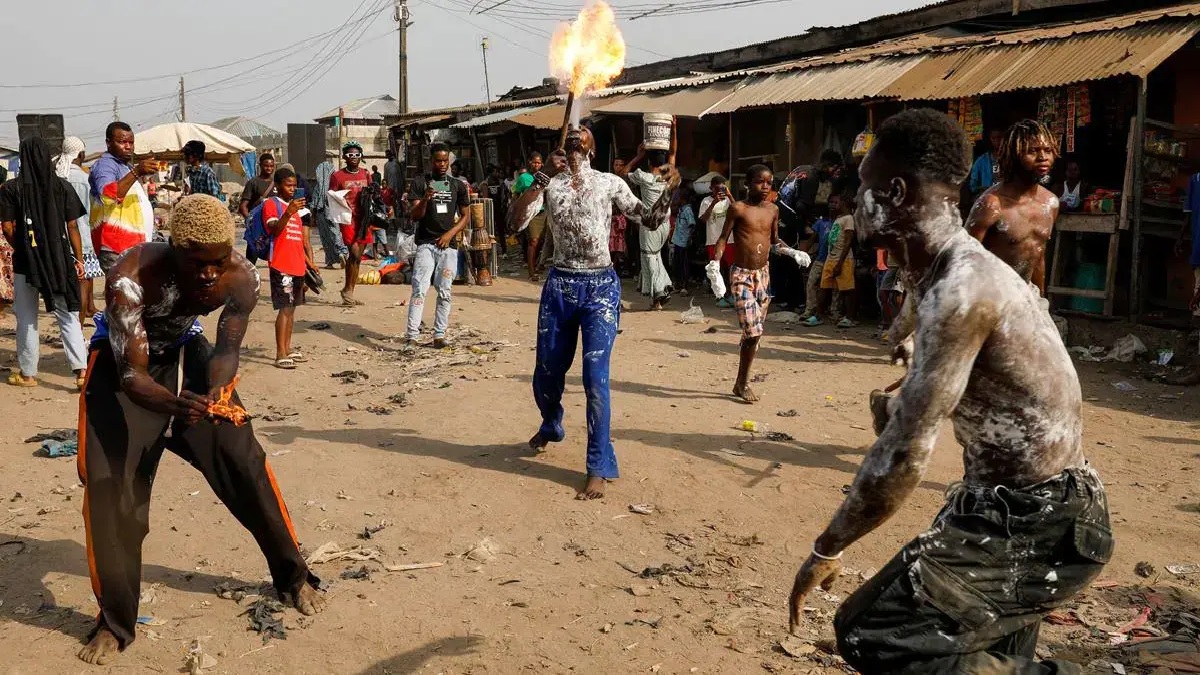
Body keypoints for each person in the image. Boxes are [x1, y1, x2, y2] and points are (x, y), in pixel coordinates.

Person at [787, 109, 1109, 675]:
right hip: (1000, 505)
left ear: (892, 191)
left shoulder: (963, 288)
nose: (853, 201)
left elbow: (905, 454)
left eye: (862, 187)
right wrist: (904, 388)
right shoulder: (939, 274)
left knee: (873, 631)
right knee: (976, 652)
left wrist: (827, 548)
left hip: (1043, 518)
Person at [76, 194, 325, 665]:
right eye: (197, 264)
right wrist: (173, 405)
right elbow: (133, 377)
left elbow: (228, 348)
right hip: (124, 367)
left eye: (217, 262)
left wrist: (214, 391)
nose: (209, 274)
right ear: (174, 251)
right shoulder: (132, 278)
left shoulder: (241, 277)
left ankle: (294, 576)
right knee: (111, 489)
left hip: (189, 357)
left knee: (244, 462)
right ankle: (114, 623)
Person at [512, 126, 670, 500]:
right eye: (571, 134)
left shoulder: (609, 183)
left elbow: (649, 220)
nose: (576, 136)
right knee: (546, 375)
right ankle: (552, 424)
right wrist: (540, 179)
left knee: (595, 378)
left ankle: (598, 465)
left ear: (592, 149)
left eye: (583, 134)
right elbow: (515, 222)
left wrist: (669, 193)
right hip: (560, 286)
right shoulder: (549, 184)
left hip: (600, 287)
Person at [711, 165, 810, 403]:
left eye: (769, 182)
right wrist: (715, 265)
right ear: (747, 183)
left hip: (763, 275)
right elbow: (723, 239)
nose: (765, 187)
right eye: (759, 182)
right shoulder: (738, 208)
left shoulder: (773, 210)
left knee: (754, 335)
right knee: (753, 332)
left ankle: (739, 383)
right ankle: (743, 384)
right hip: (742, 275)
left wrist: (791, 252)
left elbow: (774, 241)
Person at [0, 137, 89, 389]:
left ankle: (28, 375)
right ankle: (81, 372)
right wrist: (78, 259)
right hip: (59, 259)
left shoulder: (11, 189)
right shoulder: (62, 187)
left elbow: (7, 227)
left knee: (27, 316)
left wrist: (25, 249)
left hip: (25, 263)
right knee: (67, 314)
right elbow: (72, 225)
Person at [966, 119, 1060, 295]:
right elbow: (963, 260)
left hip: (1026, 298)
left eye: (1048, 151)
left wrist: (1040, 302)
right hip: (991, 299)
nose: (1043, 158)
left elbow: (1038, 256)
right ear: (1014, 155)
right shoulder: (991, 204)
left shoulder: (1050, 203)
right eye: (1033, 151)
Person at [406, 143, 470, 348]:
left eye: (445, 160)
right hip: (426, 244)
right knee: (419, 289)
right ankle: (412, 336)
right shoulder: (419, 182)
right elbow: (414, 215)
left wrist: (449, 234)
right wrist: (425, 199)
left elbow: (465, 216)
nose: (442, 164)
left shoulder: (457, 185)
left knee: (445, 291)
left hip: (448, 247)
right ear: (431, 161)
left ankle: (439, 335)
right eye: (438, 161)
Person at [618, 124, 680, 310]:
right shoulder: (669, 177)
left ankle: (658, 296)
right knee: (656, 255)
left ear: (648, 163)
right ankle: (660, 291)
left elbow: (621, 174)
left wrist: (638, 155)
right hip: (665, 223)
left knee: (648, 257)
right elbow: (674, 153)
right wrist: (674, 129)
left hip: (650, 223)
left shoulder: (643, 177)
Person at [262, 166, 316, 369]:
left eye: (295, 186)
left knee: (292, 310)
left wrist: (309, 264)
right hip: (280, 264)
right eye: (288, 185)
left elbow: (298, 241)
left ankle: (288, 348)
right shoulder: (272, 205)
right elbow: (274, 230)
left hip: (297, 265)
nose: (292, 189)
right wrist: (289, 212)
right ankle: (279, 353)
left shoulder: (295, 209)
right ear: (277, 186)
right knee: (284, 309)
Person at [89, 121, 158, 273]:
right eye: (122, 142)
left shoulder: (124, 166)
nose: (128, 146)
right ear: (108, 143)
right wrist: (137, 171)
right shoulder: (105, 165)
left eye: (131, 142)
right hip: (116, 248)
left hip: (130, 246)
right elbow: (108, 195)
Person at [56, 136, 105, 324]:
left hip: (59, 242)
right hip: (84, 241)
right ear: (81, 154)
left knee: (67, 290)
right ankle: (78, 330)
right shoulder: (86, 180)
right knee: (82, 287)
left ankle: (70, 329)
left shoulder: (58, 178)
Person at [329, 140, 374, 305]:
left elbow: (373, 195)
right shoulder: (337, 176)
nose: (354, 157)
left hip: (364, 219)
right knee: (354, 253)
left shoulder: (366, 174)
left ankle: (349, 291)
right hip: (347, 218)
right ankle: (347, 289)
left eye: (357, 154)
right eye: (350, 155)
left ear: (361, 156)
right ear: (344, 157)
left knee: (358, 258)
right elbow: (331, 197)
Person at [806, 192, 858, 328]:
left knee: (847, 289)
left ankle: (849, 317)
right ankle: (817, 316)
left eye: (838, 202)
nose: (835, 205)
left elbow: (848, 242)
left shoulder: (849, 219)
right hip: (831, 258)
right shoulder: (839, 218)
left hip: (844, 259)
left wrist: (839, 262)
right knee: (824, 287)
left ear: (844, 204)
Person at [700, 175, 734, 307]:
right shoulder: (706, 201)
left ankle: (730, 294)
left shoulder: (728, 201)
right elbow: (703, 219)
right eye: (716, 189)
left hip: (729, 240)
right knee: (716, 269)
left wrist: (729, 196)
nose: (719, 191)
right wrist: (714, 202)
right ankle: (719, 296)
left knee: (731, 270)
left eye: (722, 188)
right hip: (713, 240)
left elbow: (740, 210)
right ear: (711, 188)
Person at [512, 152, 546, 281]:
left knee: (541, 241)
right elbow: (516, 194)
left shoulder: (544, 176)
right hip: (529, 212)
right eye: (534, 162)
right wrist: (516, 210)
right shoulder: (523, 178)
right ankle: (531, 271)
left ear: (541, 164)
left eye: (538, 162)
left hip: (543, 211)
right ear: (530, 162)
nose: (536, 165)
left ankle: (536, 264)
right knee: (533, 241)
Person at [312, 154, 348, 269]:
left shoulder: (318, 187)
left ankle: (330, 261)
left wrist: (313, 217)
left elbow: (314, 203)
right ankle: (342, 253)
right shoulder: (334, 184)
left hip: (320, 214)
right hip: (333, 213)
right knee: (336, 234)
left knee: (325, 237)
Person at [797, 213, 835, 323]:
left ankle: (834, 312)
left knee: (833, 286)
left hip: (833, 259)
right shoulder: (821, 222)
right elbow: (812, 239)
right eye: (831, 202)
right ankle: (810, 310)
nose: (832, 205)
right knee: (811, 283)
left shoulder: (839, 221)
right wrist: (802, 254)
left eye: (835, 202)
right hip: (820, 258)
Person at [671, 184, 697, 294]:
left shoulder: (687, 210)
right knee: (677, 263)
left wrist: (689, 238)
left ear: (682, 199)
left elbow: (692, 224)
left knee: (684, 264)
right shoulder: (681, 209)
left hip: (683, 241)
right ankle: (678, 284)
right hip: (677, 240)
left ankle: (684, 286)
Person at [968, 126, 1005, 200]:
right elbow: (973, 186)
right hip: (987, 200)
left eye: (999, 137)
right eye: (993, 138)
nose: (997, 141)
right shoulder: (981, 161)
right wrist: (983, 189)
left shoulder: (1011, 159)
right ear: (990, 139)